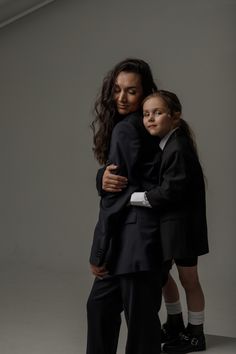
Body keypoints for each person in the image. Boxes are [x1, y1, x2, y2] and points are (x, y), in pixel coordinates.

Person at [104, 90, 209, 353]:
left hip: (182, 228)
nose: (150, 118)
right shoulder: (167, 145)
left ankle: (196, 333)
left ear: (175, 117)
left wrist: (134, 197)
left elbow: (172, 190)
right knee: (162, 275)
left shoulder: (179, 147)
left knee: (189, 279)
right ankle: (174, 323)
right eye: (146, 114)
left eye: (158, 113)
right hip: (169, 226)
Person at [87, 58, 166, 354]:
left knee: (141, 330)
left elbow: (115, 197)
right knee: (102, 309)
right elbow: (135, 178)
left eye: (131, 91)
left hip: (136, 241)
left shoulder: (128, 130)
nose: (121, 98)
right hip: (136, 241)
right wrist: (101, 177)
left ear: (145, 93)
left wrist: (98, 252)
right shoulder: (149, 125)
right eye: (117, 90)